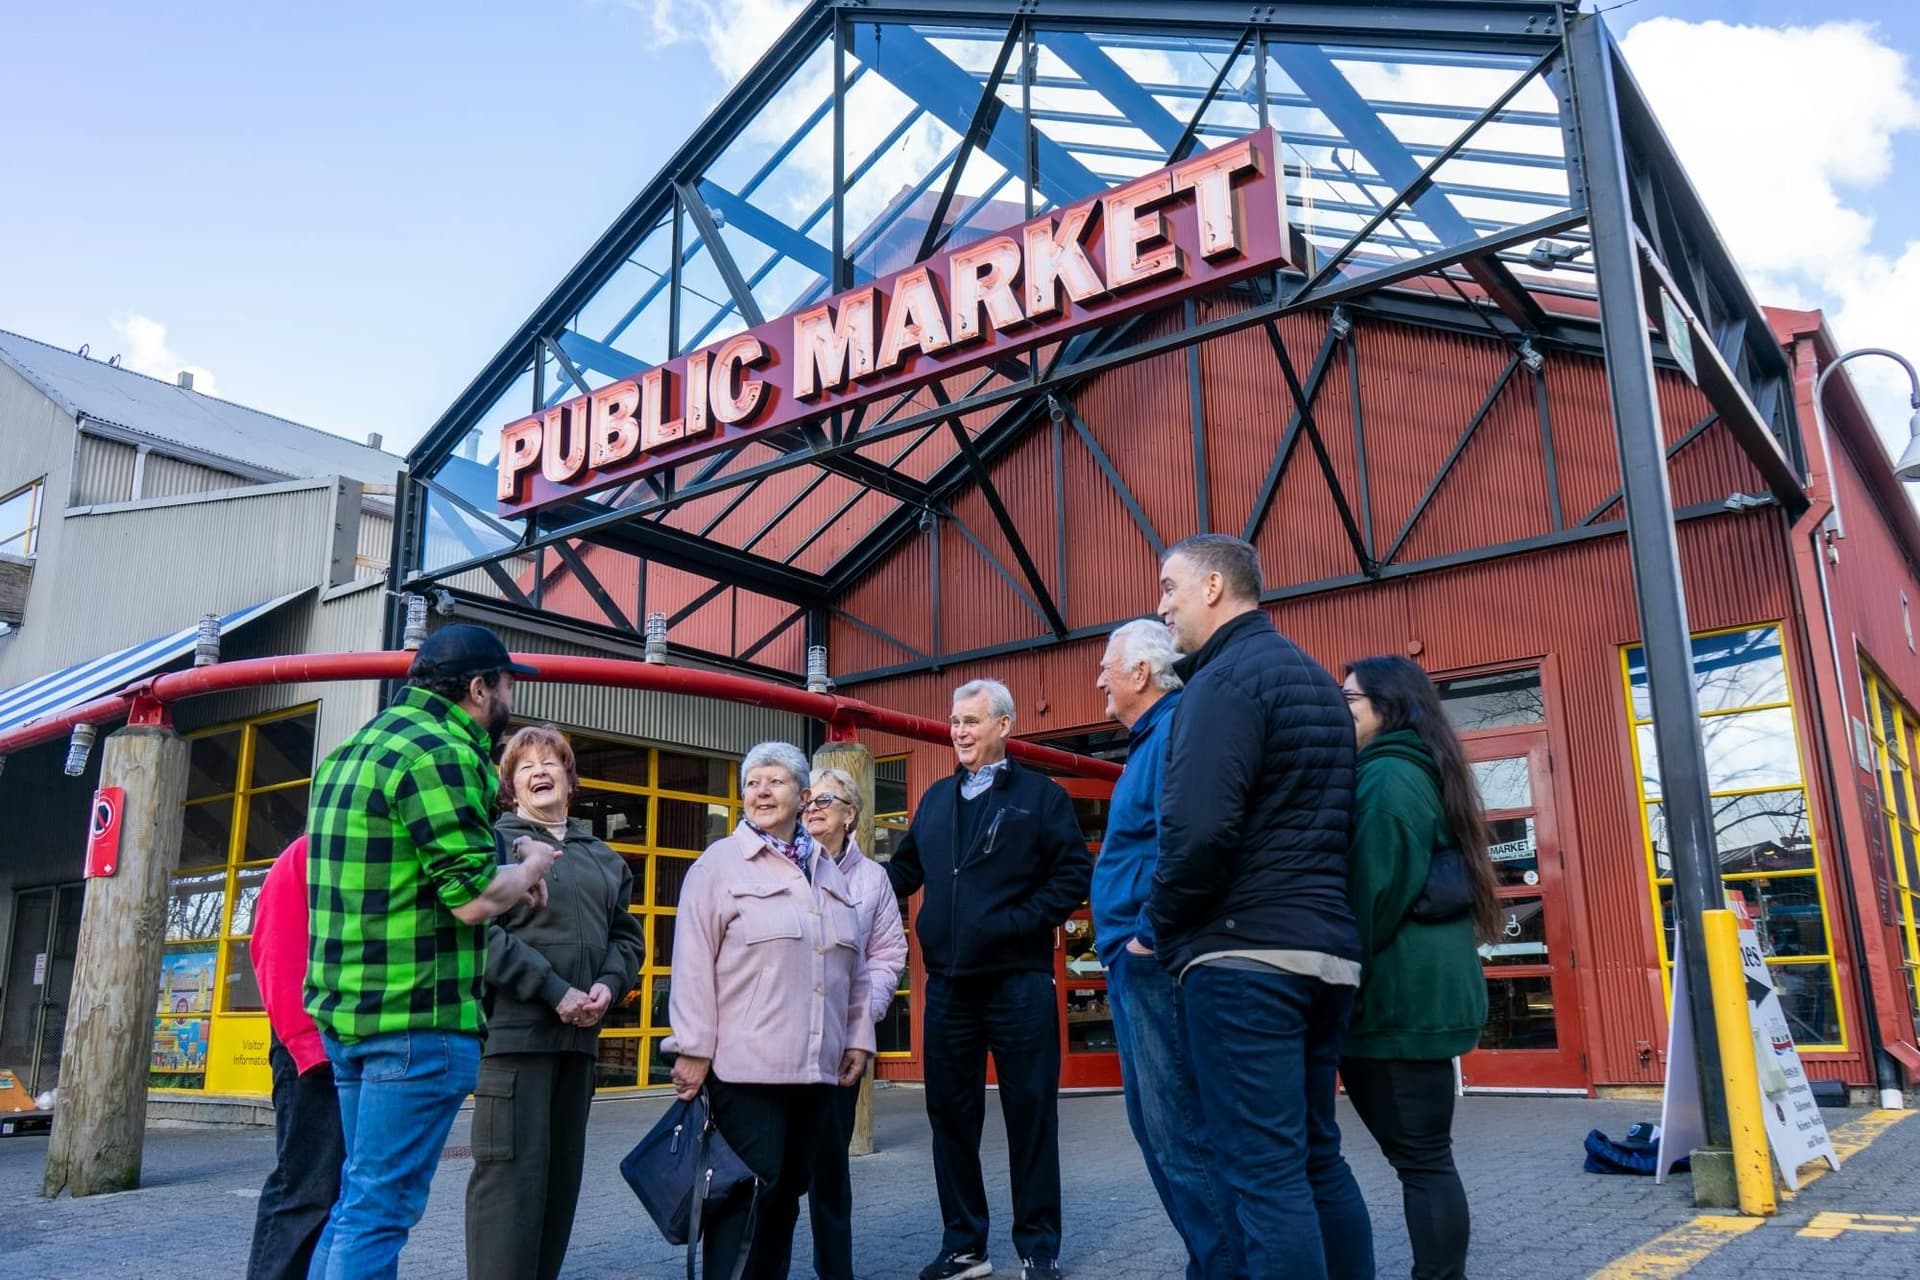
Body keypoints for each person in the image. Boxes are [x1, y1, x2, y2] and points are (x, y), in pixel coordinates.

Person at [304, 624, 561, 1280]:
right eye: (504, 684)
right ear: (478, 688)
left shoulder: (353, 750)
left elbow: (405, 863)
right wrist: (530, 864)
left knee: (356, 1205)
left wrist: (504, 873)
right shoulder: (443, 750)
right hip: (416, 1020)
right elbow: (473, 899)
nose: (509, 696)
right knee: (379, 1212)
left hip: (348, 1020)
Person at [1147, 534, 1373, 1280]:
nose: (1162, 605)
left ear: (1214, 586)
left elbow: (1199, 827)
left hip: (1246, 959)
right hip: (1325, 954)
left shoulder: (1224, 681)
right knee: (1314, 1157)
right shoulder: (1312, 681)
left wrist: (1161, 927)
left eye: (1170, 587)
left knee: (1261, 1173)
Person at [886, 679, 1092, 1280]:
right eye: (955, 721)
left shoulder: (1039, 796)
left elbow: (1072, 873)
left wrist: (1018, 923)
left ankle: (1038, 1248)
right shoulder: (934, 799)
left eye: (972, 721)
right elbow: (903, 870)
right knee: (950, 1117)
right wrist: (839, 875)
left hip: (1018, 983)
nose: (959, 731)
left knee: (1030, 1115)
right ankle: (964, 1246)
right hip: (948, 985)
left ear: (1004, 725)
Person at [664, 742, 874, 1280]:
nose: (761, 790)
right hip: (746, 1073)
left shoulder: (826, 871)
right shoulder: (719, 866)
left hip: (816, 1075)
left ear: (803, 797)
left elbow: (854, 965)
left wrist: (858, 1036)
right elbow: (691, 963)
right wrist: (691, 1049)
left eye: (775, 781)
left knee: (785, 1203)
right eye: (753, 782)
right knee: (744, 1207)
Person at [1090, 620, 1244, 1280]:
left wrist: (1148, 933)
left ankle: (1223, 1268)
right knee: (1161, 1129)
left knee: (1178, 1129)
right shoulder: (1152, 739)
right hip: (1138, 957)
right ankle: (1214, 1262)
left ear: (1142, 674)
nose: (1099, 678)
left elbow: (1192, 839)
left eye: (1107, 666)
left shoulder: (1175, 732)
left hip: (1153, 959)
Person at [465, 726, 647, 1280]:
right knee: (509, 1190)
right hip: (515, 1046)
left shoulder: (604, 858)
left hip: (579, 1048)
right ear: (510, 786)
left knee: (559, 1188)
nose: (540, 772)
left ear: (570, 780)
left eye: (551, 763)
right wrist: (553, 989)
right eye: (526, 766)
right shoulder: (492, 845)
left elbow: (628, 939)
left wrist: (609, 986)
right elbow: (481, 936)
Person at [1340, 657, 1498, 1280]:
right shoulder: (1424, 768)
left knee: (1424, 1162)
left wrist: (1331, 983)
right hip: (1418, 1004)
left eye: (1349, 699)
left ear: (1388, 706)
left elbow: (1369, 898)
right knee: (1427, 1159)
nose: (1339, 709)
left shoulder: (1386, 780)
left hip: (1396, 1009)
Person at [803, 765, 909, 1280]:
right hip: (773, 1042)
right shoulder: (782, 862)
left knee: (829, 1171)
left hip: (840, 1045)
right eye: (810, 799)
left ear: (851, 815)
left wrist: (864, 1024)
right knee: (765, 1169)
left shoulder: (872, 880)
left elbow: (888, 954)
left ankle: (834, 1271)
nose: (814, 807)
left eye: (828, 799)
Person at [245, 835, 344, 1280]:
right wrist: (308, 1046)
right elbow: (275, 952)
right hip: (311, 1053)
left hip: (358, 1051)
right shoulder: (306, 854)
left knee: (344, 1195)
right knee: (305, 1190)